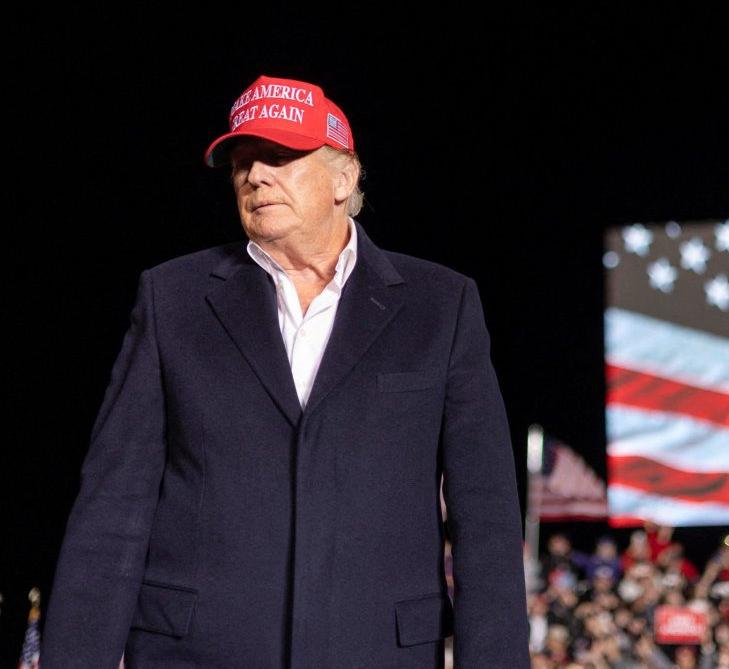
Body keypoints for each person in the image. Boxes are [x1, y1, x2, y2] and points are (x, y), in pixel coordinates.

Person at [40, 75, 530, 667]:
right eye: (242, 162)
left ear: (343, 177)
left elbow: (487, 521)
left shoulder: (441, 306)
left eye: (279, 156)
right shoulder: (170, 300)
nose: (255, 175)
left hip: (379, 652)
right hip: (195, 654)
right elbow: (112, 508)